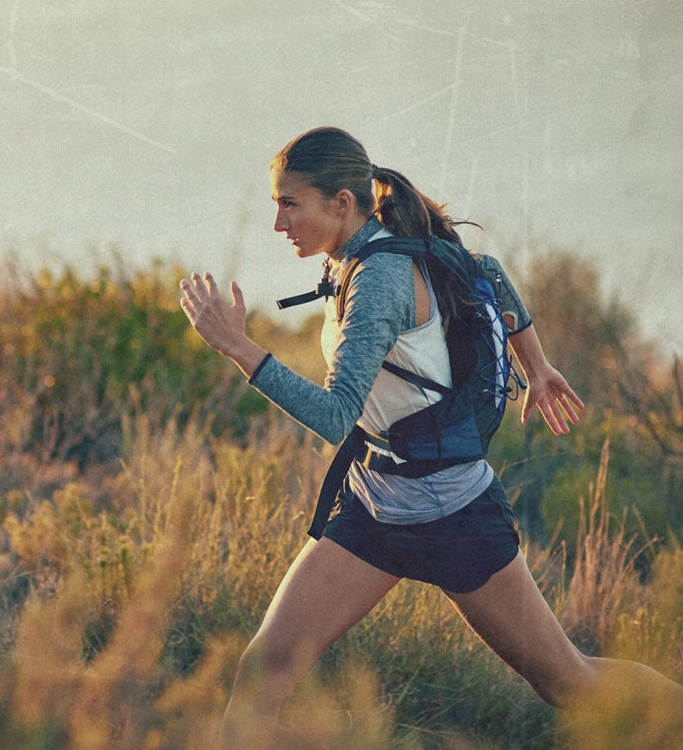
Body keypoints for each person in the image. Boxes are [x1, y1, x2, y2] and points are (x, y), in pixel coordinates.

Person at [179, 127, 683, 746]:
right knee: (264, 670)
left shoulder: (379, 280)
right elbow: (490, 273)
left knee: (567, 683)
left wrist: (238, 347)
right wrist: (536, 362)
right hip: (374, 506)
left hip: (454, 515)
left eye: (290, 204)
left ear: (341, 203)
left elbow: (338, 415)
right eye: (276, 204)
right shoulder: (352, 256)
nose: (279, 222)